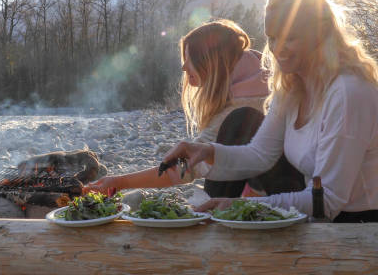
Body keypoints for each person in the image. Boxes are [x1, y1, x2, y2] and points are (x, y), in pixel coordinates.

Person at [162, 0, 378, 223]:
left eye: (290, 37)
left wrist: (240, 205)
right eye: (272, 37)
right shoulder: (293, 86)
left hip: (365, 230)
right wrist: (206, 151)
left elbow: (329, 200)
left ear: (320, 34)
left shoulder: (348, 92)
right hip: (322, 221)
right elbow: (259, 154)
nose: (277, 48)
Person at [84, 19, 304, 197]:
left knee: (227, 140)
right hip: (287, 194)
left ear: (210, 61)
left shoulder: (246, 104)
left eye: (189, 57)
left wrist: (120, 182)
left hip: (286, 200)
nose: (183, 66)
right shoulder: (251, 83)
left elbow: (186, 168)